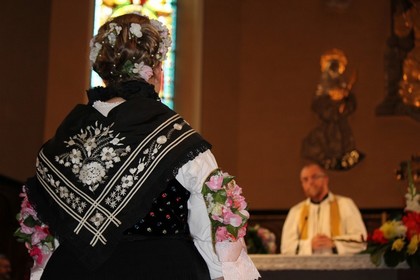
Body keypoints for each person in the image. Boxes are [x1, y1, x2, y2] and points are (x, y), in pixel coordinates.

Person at [17, 13, 260, 280]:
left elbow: (49, 230)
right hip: (162, 268)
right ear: (155, 72)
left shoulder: (62, 141)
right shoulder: (175, 136)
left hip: (74, 269)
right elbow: (212, 228)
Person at [281, 162, 367, 255]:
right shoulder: (296, 211)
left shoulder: (345, 204)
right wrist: (309, 245)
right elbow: (286, 248)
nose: (310, 182)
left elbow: (360, 240)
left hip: (339, 266)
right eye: (305, 180)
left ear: (325, 179)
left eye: (314, 177)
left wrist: (334, 244)